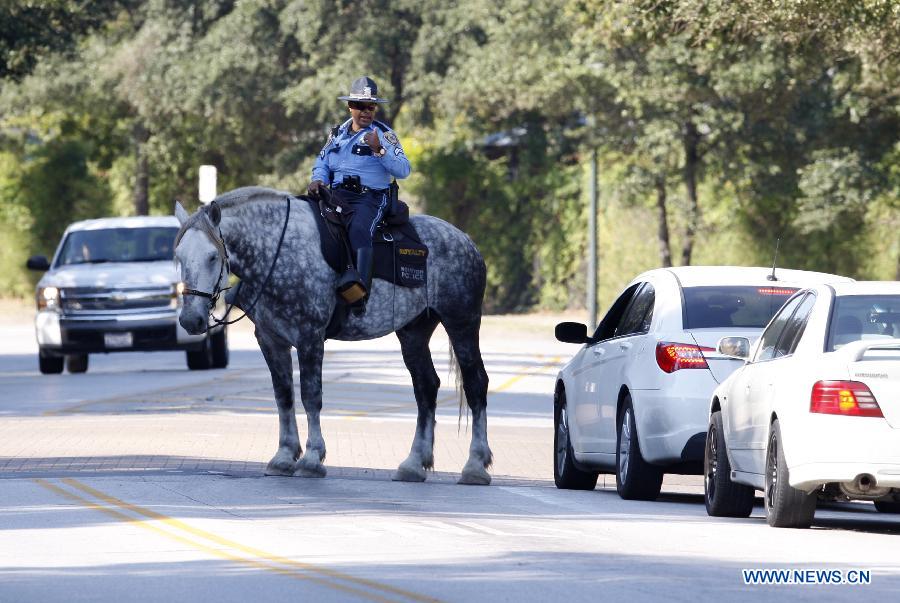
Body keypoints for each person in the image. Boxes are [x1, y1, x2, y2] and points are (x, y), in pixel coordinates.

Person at [308, 76, 411, 313]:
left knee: (358, 230)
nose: (366, 112)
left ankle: (359, 294)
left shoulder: (384, 134)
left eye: (371, 107)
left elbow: (403, 170)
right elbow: (322, 162)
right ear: (350, 107)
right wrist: (318, 179)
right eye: (360, 106)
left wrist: (379, 149)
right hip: (336, 195)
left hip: (371, 197)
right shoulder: (336, 133)